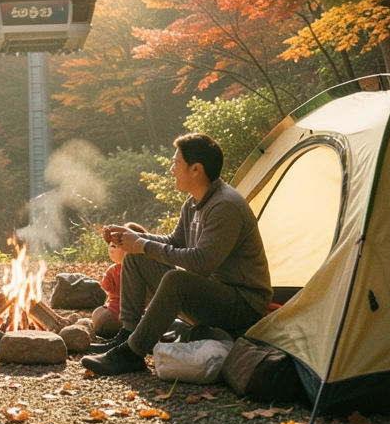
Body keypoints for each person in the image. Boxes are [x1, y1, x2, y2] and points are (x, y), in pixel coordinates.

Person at [81, 133, 272, 376]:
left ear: (196, 169)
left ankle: (132, 353)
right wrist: (132, 238)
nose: (171, 169)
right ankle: (127, 336)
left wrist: (141, 243)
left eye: (176, 163)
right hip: (213, 294)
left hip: (242, 304)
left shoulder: (225, 206)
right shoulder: (194, 203)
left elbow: (201, 263)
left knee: (176, 280)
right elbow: (174, 242)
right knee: (135, 257)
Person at [91, 221, 148, 340]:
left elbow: (106, 288)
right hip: (123, 312)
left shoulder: (122, 270)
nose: (111, 250)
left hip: (121, 316)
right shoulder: (117, 269)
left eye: (115, 246)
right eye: (110, 246)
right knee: (99, 314)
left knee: (102, 319)